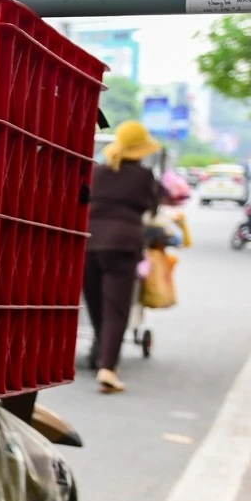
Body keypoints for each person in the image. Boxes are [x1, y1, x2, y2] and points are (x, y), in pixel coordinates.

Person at [84, 121, 164, 393]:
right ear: (140, 150)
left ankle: (100, 348)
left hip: (88, 243)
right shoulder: (144, 176)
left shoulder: (96, 172)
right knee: (116, 309)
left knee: (95, 304)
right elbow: (153, 207)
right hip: (122, 245)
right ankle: (108, 367)